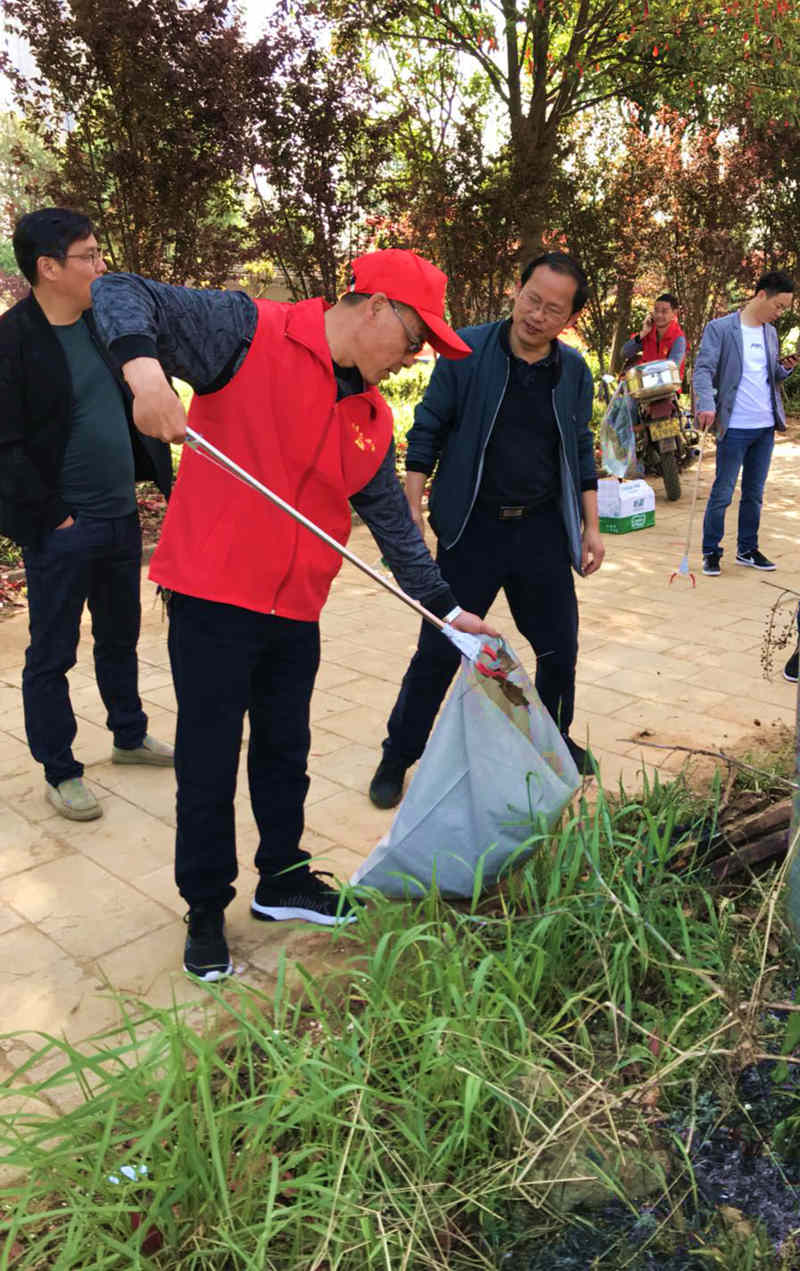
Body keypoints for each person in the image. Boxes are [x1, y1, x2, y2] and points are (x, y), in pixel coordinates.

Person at [91, 248, 496, 981]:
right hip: (213, 594)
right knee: (210, 759)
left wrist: (447, 608)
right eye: (414, 340)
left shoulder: (370, 414)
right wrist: (145, 374)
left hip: (295, 606)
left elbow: (396, 532)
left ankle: (282, 877)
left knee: (285, 747)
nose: (413, 360)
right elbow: (119, 290)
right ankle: (206, 907)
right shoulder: (249, 332)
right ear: (376, 307)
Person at [368, 251, 604, 813]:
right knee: (439, 649)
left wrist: (591, 526)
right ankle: (398, 754)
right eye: (531, 299)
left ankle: (552, 740)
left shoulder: (573, 372)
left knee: (559, 647)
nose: (537, 316)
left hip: (541, 531)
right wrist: (412, 508)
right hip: (470, 531)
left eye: (553, 309)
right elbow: (427, 430)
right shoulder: (467, 353)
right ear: (516, 291)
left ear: (569, 318)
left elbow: (579, 449)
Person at [0, 208, 173, 823]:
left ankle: (128, 735)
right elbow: (6, 445)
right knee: (52, 653)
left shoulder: (106, 325)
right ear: (48, 267)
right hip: (62, 530)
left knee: (120, 637)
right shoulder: (13, 340)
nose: (102, 266)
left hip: (122, 517)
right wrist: (53, 519)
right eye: (90, 256)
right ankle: (61, 769)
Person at [696, 270, 797, 577]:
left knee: (754, 493)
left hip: (764, 426)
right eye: (779, 306)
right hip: (735, 426)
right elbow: (703, 370)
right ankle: (711, 551)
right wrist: (706, 404)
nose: (779, 313)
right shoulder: (721, 329)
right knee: (723, 492)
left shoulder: (769, 333)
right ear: (761, 295)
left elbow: (769, 376)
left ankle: (747, 549)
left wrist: (785, 369)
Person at [621, 292, 687, 377]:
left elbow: (671, 370)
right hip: (645, 385)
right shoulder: (649, 333)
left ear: (674, 313)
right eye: (656, 310)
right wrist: (643, 333)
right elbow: (625, 353)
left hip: (667, 388)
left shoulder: (678, 339)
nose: (659, 315)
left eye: (664, 311)